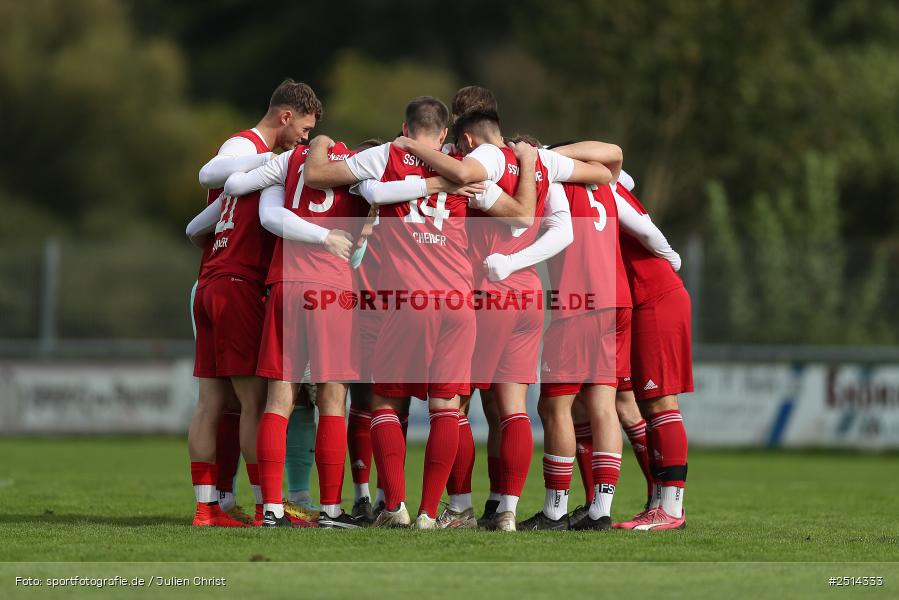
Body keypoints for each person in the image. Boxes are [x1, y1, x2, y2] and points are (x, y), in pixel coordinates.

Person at [183, 78, 319, 527]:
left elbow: (194, 226)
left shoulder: (247, 175)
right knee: (254, 405)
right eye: (302, 129)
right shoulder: (247, 148)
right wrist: (275, 160)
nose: (304, 140)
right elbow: (207, 174)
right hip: (239, 284)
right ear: (285, 117)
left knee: (211, 403)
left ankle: (207, 509)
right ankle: (268, 507)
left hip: (210, 282)